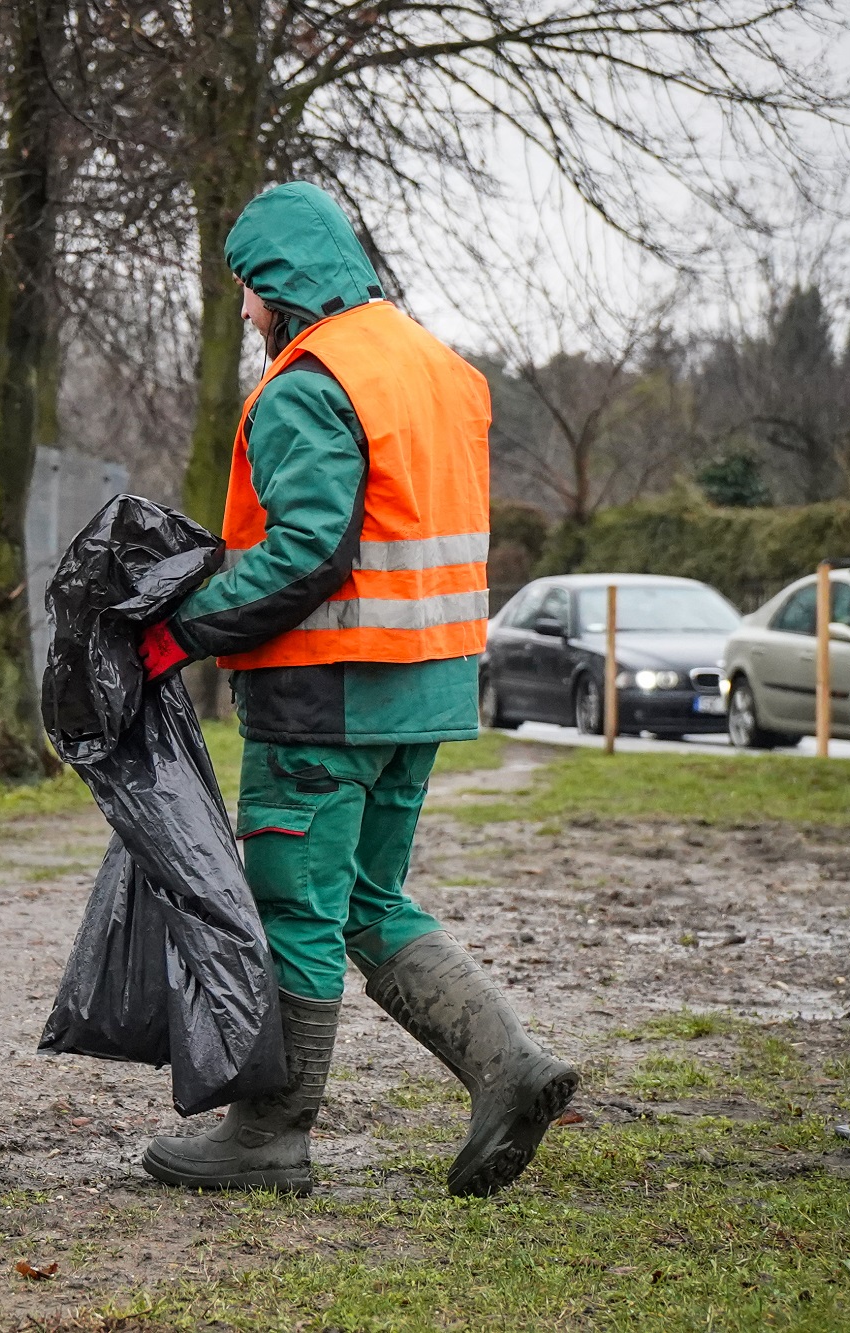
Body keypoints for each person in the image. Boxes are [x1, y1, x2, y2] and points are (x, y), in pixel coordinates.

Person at [134, 182, 578, 1198]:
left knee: (293, 901)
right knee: (366, 899)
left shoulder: (307, 380)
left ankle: (266, 1136)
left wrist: (179, 627)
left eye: (249, 292)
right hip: (420, 689)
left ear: (282, 285)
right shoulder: (435, 370)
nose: (246, 312)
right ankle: (507, 1066)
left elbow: (305, 552)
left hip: (322, 692)